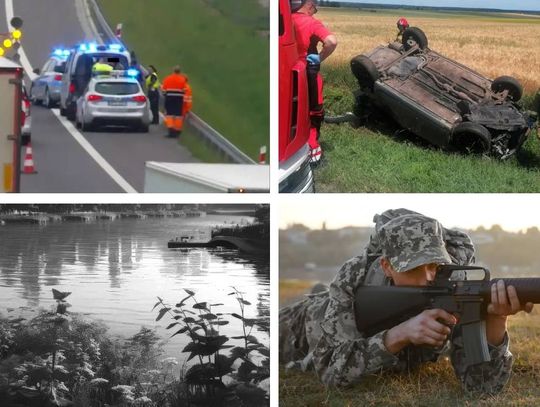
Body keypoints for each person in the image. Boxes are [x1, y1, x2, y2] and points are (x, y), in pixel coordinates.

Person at [279, 209, 534, 394]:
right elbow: (331, 373)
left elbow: (482, 387)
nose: (427, 278)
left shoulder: (455, 283)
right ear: (387, 266)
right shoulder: (354, 275)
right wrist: (398, 335)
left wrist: (496, 323)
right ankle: (319, 293)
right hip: (303, 324)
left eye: (434, 265)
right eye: (414, 269)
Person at [290, 0, 337, 164]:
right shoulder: (311, 23)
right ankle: (313, 151)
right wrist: (319, 58)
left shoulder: (287, 20)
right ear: (309, 4)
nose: (315, 11)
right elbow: (331, 41)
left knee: (292, 111)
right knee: (314, 112)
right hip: (308, 73)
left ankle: (293, 147)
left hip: (287, 72)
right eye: (315, 7)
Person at [161, 65, 188, 137]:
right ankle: (177, 131)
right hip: (179, 99)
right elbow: (185, 90)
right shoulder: (182, 79)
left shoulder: (167, 78)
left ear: (173, 71)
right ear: (180, 72)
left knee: (169, 114)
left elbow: (163, 91)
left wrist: (167, 95)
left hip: (169, 98)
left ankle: (170, 130)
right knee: (178, 115)